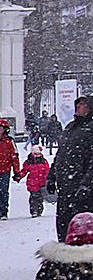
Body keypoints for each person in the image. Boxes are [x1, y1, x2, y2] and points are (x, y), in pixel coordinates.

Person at [51, 95, 93, 242]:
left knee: (82, 228)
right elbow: (61, 154)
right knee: (64, 224)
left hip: (82, 189)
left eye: (83, 105)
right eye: (78, 104)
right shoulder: (70, 127)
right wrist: (51, 176)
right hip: (65, 187)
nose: (79, 108)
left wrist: (86, 185)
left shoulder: (90, 129)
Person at [22, 144, 51, 219]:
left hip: (41, 183)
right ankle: (34, 210)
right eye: (35, 154)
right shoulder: (28, 162)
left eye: (38, 154)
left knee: (40, 198)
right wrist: (19, 176)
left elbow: (47, 171)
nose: (37, 155)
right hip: (32, 183)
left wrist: (47, 179)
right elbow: (24, 171)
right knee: (34, 197)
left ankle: (39, 210)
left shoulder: (44, 162)